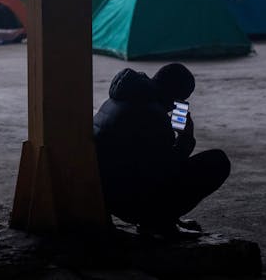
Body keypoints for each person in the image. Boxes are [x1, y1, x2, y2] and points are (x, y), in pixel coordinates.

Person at [93, 63, 230, 237]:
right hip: (131, 202)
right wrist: (186, 138)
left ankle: (165, 218)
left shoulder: (122, 98)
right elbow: (167, 171)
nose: (176, 107)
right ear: (172, 92)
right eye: (180, 99)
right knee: (217, 162)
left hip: (110, 195)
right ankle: (160, 222)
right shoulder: (152, 115)